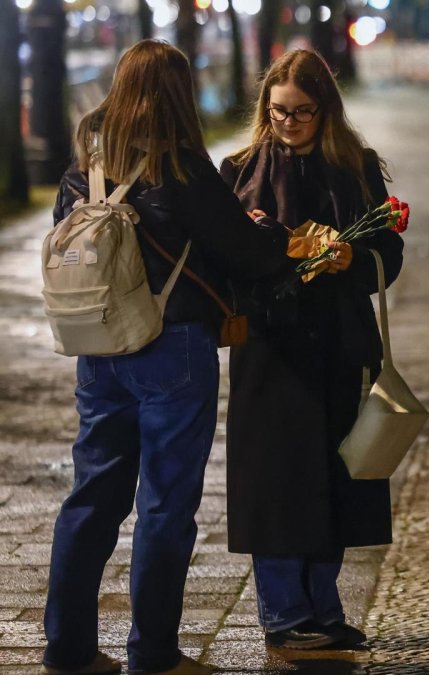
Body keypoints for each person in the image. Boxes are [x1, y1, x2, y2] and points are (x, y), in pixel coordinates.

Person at [42, 40, 290, 675]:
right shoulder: (179, 164)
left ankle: (67, 650)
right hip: (172, 346)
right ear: (177, 93)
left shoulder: (83, 164)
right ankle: (153, 653)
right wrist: (271, 232)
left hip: (98, 348)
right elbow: (245, 251)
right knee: (165, 505)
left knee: (91, 497)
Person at [219, 49, 404, 650]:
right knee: (276, 482)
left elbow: (390, 256)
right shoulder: (239, 170)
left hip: (339, 342)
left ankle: (324, 609)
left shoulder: (357, 169)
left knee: (333, 477)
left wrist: (354, 258)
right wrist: (277, 250)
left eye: (302, 112)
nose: (289, 124)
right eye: (278, 112)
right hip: (270, 350)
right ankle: (283, 615)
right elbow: (224, 264)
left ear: (327, 110)